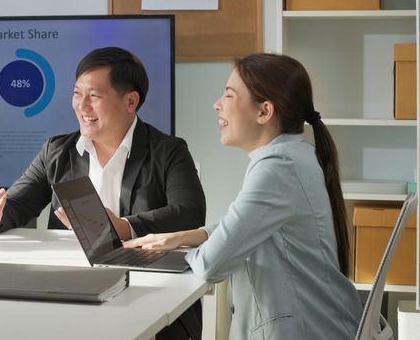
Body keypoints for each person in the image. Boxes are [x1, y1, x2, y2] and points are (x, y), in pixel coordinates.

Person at [0, 47, 206, 340]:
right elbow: (20, 203)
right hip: (69, 291)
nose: (82, 106)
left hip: (147, 291)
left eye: (94, 96)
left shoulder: (168, 151)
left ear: (130, 101)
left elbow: (190, 212)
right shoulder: (58, 151)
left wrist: (125, 227)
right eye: (77, 93)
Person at [126, 53, 363, 339]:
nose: (217, 105)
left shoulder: (277, 168)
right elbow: (250, 225)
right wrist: (188, 235)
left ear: (264, 112)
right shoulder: (291, 155)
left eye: (228, 96)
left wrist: (180, 252)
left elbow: (211, 265)